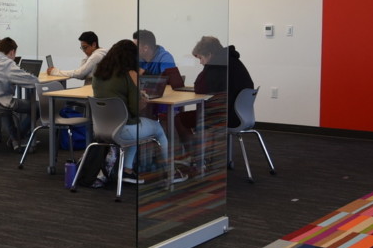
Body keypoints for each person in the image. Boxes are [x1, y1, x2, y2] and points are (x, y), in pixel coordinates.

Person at [92, 39, 174, 181]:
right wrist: (143, 100)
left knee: (136, 125)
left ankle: (128, 170)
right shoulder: (130, 74)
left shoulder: (98, 73)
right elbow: (135, 110)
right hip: (123, 130)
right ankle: (171, 172)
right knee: (158, 128)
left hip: (101, 129)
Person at [191, 36, 254, 128]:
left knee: (180, 119)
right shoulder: (232, 60)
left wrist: (207, 67)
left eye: (201, 58)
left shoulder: (218, 64)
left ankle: (196, 142)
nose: (200, 62)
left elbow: (199, 88)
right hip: (241, 115)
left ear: (209, 54)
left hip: (226, 116)